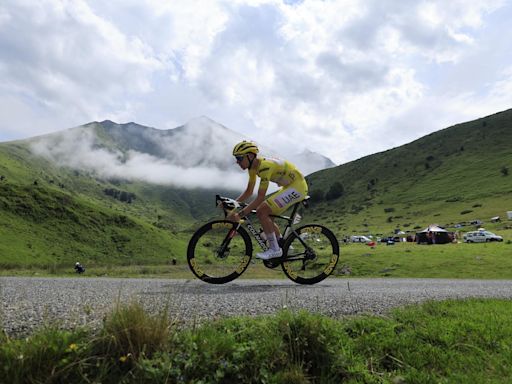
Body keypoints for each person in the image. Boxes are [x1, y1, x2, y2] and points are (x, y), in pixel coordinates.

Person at [227, 140, 308, 260]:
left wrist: (241, 214)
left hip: (298, 187)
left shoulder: (264, 167)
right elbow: (249, 191)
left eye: (239, 158)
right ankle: (283, 244)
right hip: (289, 186)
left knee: (262, 210)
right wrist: (232, 204)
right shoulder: (253, 168)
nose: (237, 162)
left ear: (249, 156)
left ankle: (275, 249)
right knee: (267, 216)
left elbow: (260, 197)